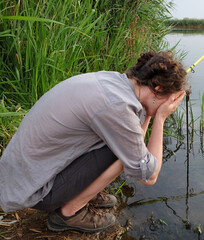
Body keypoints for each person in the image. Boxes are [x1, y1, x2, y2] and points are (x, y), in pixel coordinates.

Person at [0, 51, 187, 233]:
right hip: (35, 190)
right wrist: (160, 118)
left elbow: (135, 138)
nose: (171, 106)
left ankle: (82, 193)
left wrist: (150, 113)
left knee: (128, 146)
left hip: (22, 175)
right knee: (124, 154)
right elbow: (149, 175)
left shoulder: (114, 82)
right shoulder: (118, 106)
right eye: (171, 100)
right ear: (159, 88)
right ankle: (69, 213)